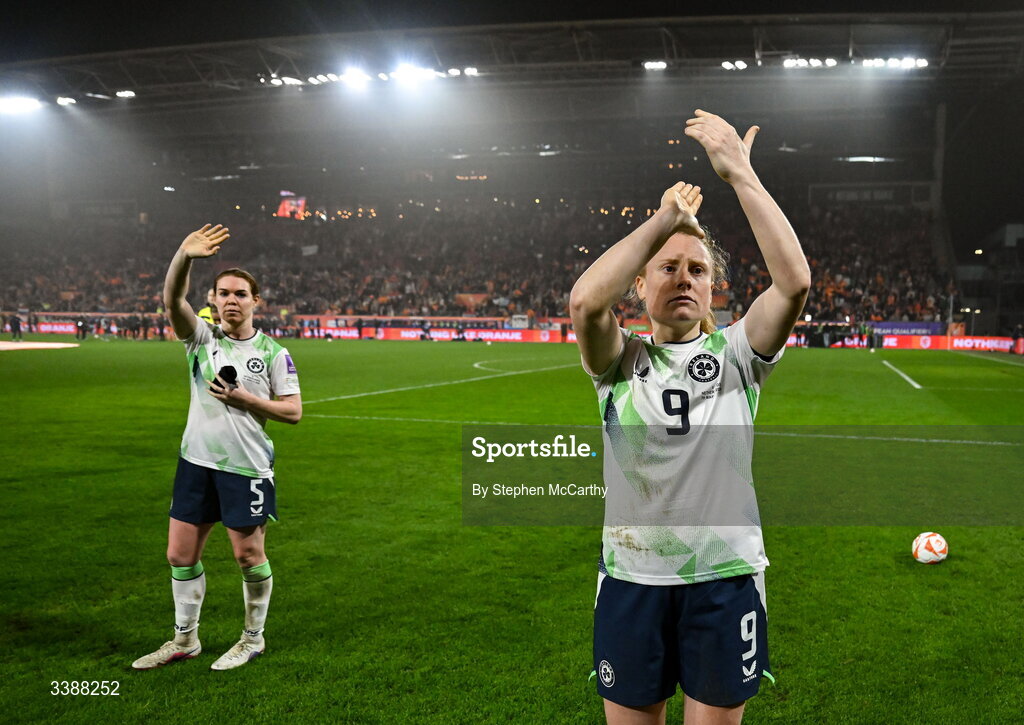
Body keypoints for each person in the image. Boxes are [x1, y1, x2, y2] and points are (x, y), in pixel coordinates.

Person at [569, 110, 809, 725]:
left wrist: (740, 176)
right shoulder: (618, 360)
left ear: (713, 289)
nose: (683, 278)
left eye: (697, 269)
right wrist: (666, 222)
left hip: (724, 578)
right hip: (632, 579)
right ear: (639, 283)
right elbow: (585, 301)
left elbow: (793, 284)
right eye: (667, 267)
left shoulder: (736, 353)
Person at [132, 224, 302, 672]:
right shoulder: (200, 339)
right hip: (195, 463)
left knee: (248, 555)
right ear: (212, 299)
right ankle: (185, 640)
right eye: (223, 293)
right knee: (180, 555)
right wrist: (183, 256)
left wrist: (244, 398)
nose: (231, 300)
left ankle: (253, 638)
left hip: (245, 467)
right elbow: (171, 300)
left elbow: (293, 412)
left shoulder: (272, 353)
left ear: (255, 301)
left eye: (241, 294)